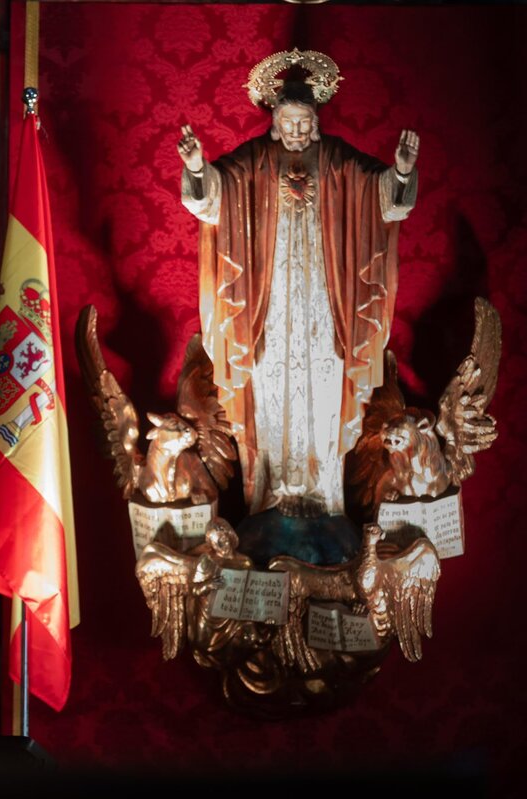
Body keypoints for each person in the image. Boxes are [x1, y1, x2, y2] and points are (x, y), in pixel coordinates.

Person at [176, 50, 420, 518]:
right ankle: (267, 501)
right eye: (288, 122)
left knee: (327, 392)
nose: (296, 131)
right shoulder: (253, 161)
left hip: (324, 306)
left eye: (304, 121)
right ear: (274, 122)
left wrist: (402, 172)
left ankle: (327, 501)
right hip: (266, 308)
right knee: (266, 394)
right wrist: (196, 169)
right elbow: (213, 203)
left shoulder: (337, 161)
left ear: (316, 121)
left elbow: (384, 200)